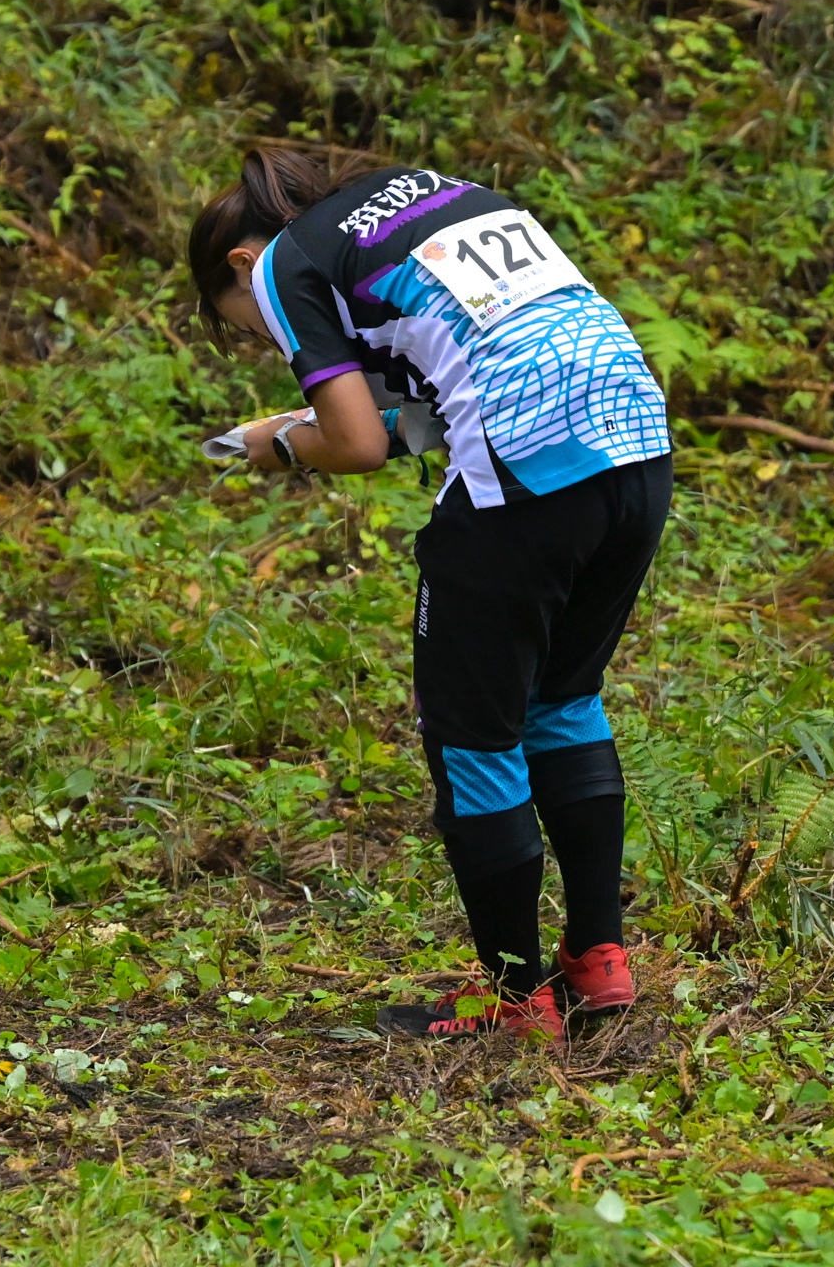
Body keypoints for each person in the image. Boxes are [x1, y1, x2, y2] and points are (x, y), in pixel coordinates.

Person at [188, 148, 673, 1043]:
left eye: (249, 331)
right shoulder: (432, 199)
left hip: (524, 473)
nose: (268, 341)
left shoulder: (283, 261)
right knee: (562, 698)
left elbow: (358, 445)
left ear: (239, 266)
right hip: (637, 445)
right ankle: (598, 959)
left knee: (472, 736)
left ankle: (514, 999)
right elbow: (451, 395)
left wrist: (282, 445)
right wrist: (305, 427)